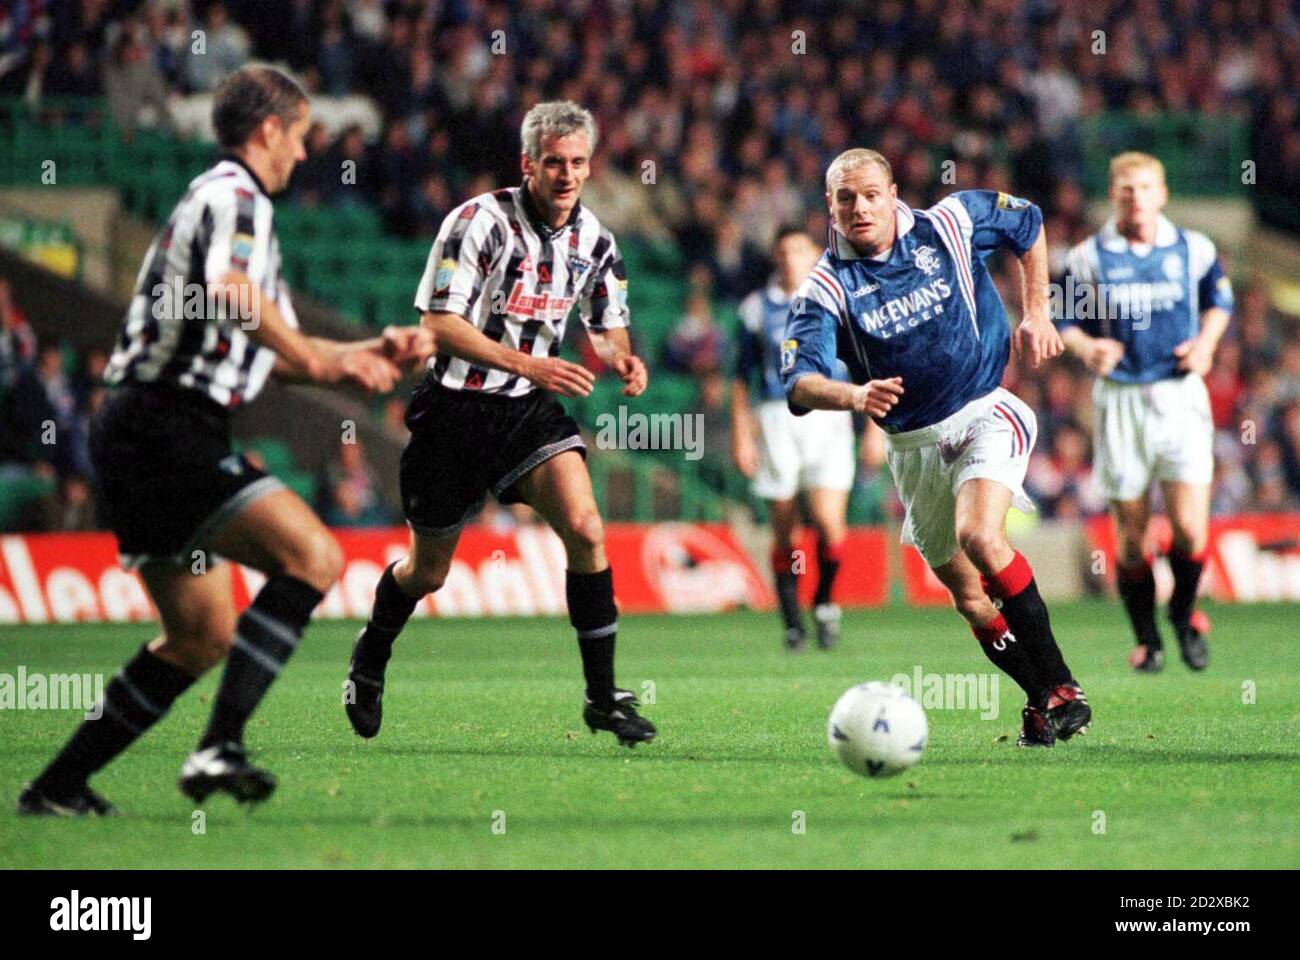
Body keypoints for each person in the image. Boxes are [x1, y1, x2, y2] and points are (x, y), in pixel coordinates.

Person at [19, 65, 420, 816]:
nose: (303, 155)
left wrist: (364, 352)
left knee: (200, 633)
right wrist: (316, 358)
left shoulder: (218, 202)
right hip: (164, 423)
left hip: (140, 426)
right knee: (314, 555)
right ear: (270, 129)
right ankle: (219, 747)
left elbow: (266, 345)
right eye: (300, 137)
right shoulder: (236, 195)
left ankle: (56, 787)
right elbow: (237, 297)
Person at [345, 101, 657, 748]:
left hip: (527, 413)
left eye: (577, 163)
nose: (567, 175)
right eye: (553, 163)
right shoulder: (478, 223)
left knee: (586, 527)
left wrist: (623, 356)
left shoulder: (595, 239)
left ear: (589, 165)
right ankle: (371, 653)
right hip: (454, 413)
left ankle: (603, 698)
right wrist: (529, 362)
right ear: (528, 165)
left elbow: (606, 321)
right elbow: (439, 325)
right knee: (427, 572)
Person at [783, 148, 1091, 748]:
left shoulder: (951, 223)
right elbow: (797, 383)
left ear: (892, 190)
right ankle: (1039, 700)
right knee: (971, 599)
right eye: (846, 198)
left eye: (871, 193)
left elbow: (1027, 223)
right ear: (830, 205)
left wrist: (1036, 312)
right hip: (912, 447)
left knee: (982, 536)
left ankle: (1061, 686)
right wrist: (852, 396)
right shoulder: (825, 289)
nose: (860, 207)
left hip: (984, 409)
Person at [1057, 152, 1232, 673]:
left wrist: (1205, 344)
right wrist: (1086, 347)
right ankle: (1147, 639)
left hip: (1180, 394)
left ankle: (1181, 615)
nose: (1136, 197)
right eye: (1126, 189)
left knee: (1190, 530)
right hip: (1121, 400)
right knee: (1132, 537)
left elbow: (1218, 301)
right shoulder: (1089, 256)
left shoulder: (1193, 248)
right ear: (1114, 194)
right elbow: (1060, 316)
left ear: (1163, 193)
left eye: (1146, 188)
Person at [731, 226, 857, 650]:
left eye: (799, 250)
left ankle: (823, 601)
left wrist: (874, 428)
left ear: (814, 255)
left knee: (828, 524)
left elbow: (864, 362)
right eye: (783, 251)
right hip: (775, 416)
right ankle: (791, 621)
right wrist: (742, 435)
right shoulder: (755, 308)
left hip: (830, 413)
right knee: (785, 531)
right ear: (775, 257)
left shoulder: (837, 297)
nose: (790, 259)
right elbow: (740, 377)